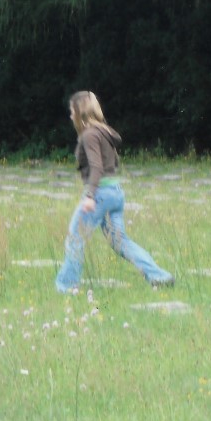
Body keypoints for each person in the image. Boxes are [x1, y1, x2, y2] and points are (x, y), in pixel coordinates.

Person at [55, 91, 175, 293]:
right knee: (120, 242)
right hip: (115, 193)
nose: (70, 115)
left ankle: (66, 287)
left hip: (100, 194)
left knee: (75, 238)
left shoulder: (89, 135)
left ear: (80, 111)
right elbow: (113, 163)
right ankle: (159, 276)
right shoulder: (104, 132)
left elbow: (96, 167)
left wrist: (90, 196)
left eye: (72, 111)